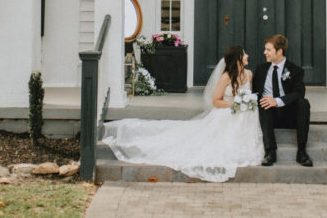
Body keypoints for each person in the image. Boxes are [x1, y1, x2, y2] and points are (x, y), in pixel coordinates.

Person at [102, 45, 263, 182]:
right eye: (244, 54)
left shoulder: (249, 74)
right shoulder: (226, 78)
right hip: (227, 112)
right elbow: (216, 101)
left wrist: (246, 103)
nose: (247, 56)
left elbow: (249, 94)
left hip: (244, 115)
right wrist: (235, 104)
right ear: (237, 59)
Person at [251, 34, 313, 167]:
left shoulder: (295, 70)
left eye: (268, 50)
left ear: (279, 51)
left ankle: (302, 152)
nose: (264, 52)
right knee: (263, 102)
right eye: (265, 49)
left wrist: (278, 101)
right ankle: (270, 151)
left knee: (304, 103)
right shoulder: (261, 69)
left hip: (288, 113)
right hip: (268, 115)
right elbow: (255, 91)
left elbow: (299, 92)